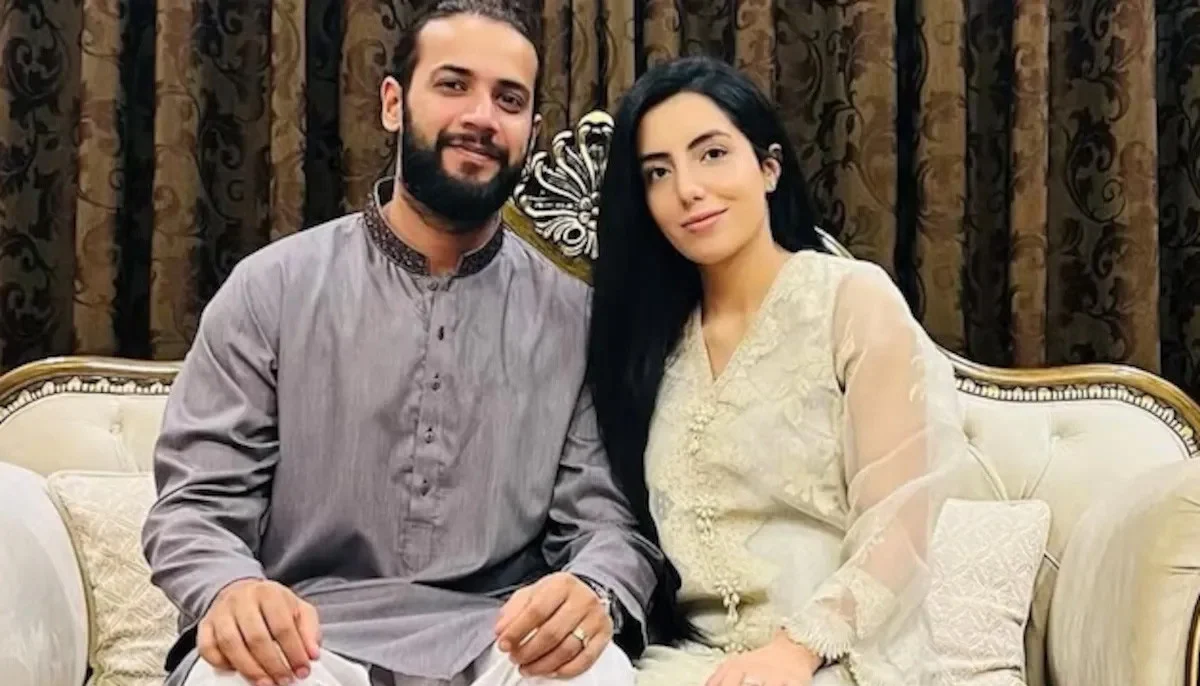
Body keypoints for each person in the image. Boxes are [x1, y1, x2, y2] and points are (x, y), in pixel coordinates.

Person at [141, 3, 664, 686]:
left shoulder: (577, 320)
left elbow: (608, 521)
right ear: (393, 103)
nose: (481, 116)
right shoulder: (272, 289)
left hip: (500, 637)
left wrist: (591, 589)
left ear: (531, 133)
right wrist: (231, 589)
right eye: (453, 85)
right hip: (305, 634)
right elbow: (196, 505)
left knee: (595, 674)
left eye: (509, 100)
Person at [585, 56, 982, 686]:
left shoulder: (850, 300)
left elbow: (903, 517)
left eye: (712, 154)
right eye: (659, 172)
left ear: (768, 168)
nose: (688, 188)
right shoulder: (649, 347)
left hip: (843, 656)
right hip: (694, 662)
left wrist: (798, 649)